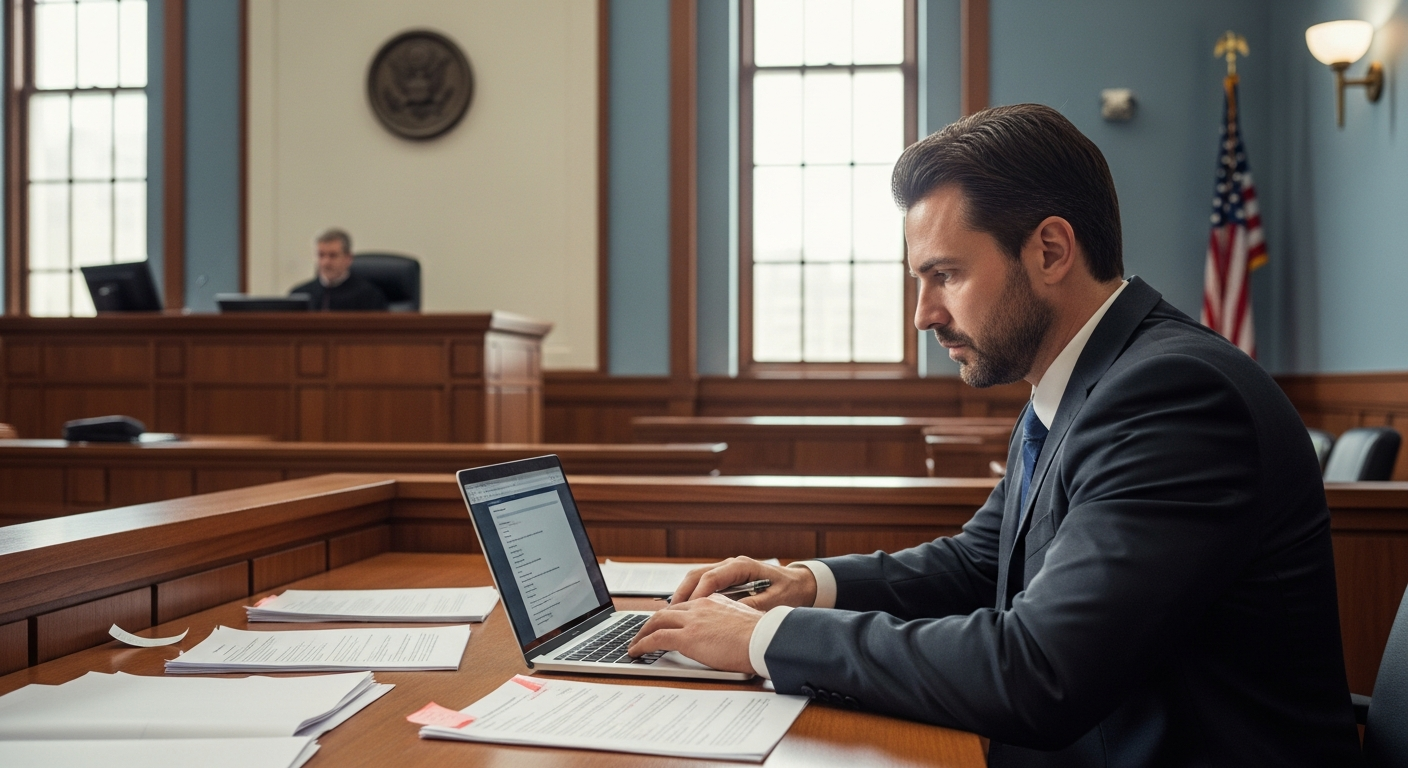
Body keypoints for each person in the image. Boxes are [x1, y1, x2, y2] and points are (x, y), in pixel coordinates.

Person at [629, 104, 1362, 766]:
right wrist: (810, 584)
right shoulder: (1083, 375)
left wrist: (763, 639)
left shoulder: (1173, 396)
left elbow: (1039, 673)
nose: (922, 315)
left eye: (944, 275)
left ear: (1049, 250)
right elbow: (983, 563)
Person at [289, 228, 388, 311]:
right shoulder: (300, 295)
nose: (326, 262)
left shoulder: (369, 295)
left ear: (348, 258)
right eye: (321, 255)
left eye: (333, 256)